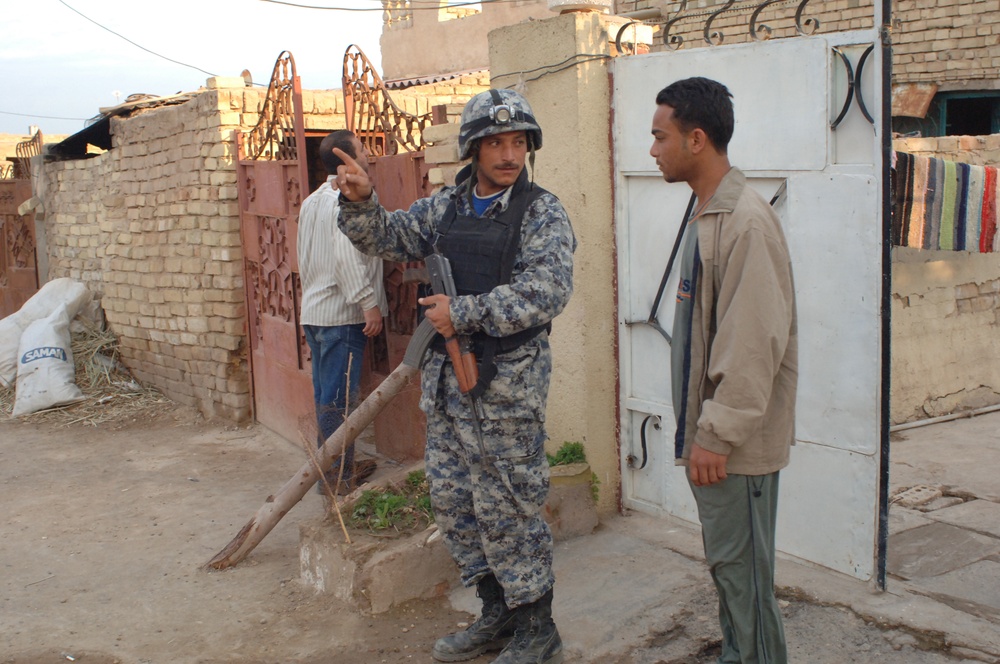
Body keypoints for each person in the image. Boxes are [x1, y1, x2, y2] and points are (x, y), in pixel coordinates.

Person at [335, 89, 575, 664]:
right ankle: (496, 616)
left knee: (510, 508)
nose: (509, 154)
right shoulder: (446, 207)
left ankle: (537, 631)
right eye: (495, 142)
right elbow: (390, 239)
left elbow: (548, 291)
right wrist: (364, 202)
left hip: (505, 391)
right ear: (473, 149)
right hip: (448, 391)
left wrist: (464, 312)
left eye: (518, 142)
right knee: (457, 505)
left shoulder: (542, 212)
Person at [651, 77, 797, 664]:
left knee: (747, 584)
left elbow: (753, 342)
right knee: (730, 574)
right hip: (716, 443)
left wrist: (716, 433)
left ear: (697, 139)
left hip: (734, 448)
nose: (653, 149)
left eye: (660, 137)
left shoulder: (745, 223)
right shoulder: (710, 214)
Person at [297, 130, 387, 495]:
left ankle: (335, 468)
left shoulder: (311, 202)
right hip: (340, 317)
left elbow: (303, 256)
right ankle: (336, 480)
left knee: (327, 399)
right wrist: (369, 303)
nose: (367, 154)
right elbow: (345, 256)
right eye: (362, 149)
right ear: (344, 159)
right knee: (338, 403)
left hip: (315, 315)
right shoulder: (340, 203)